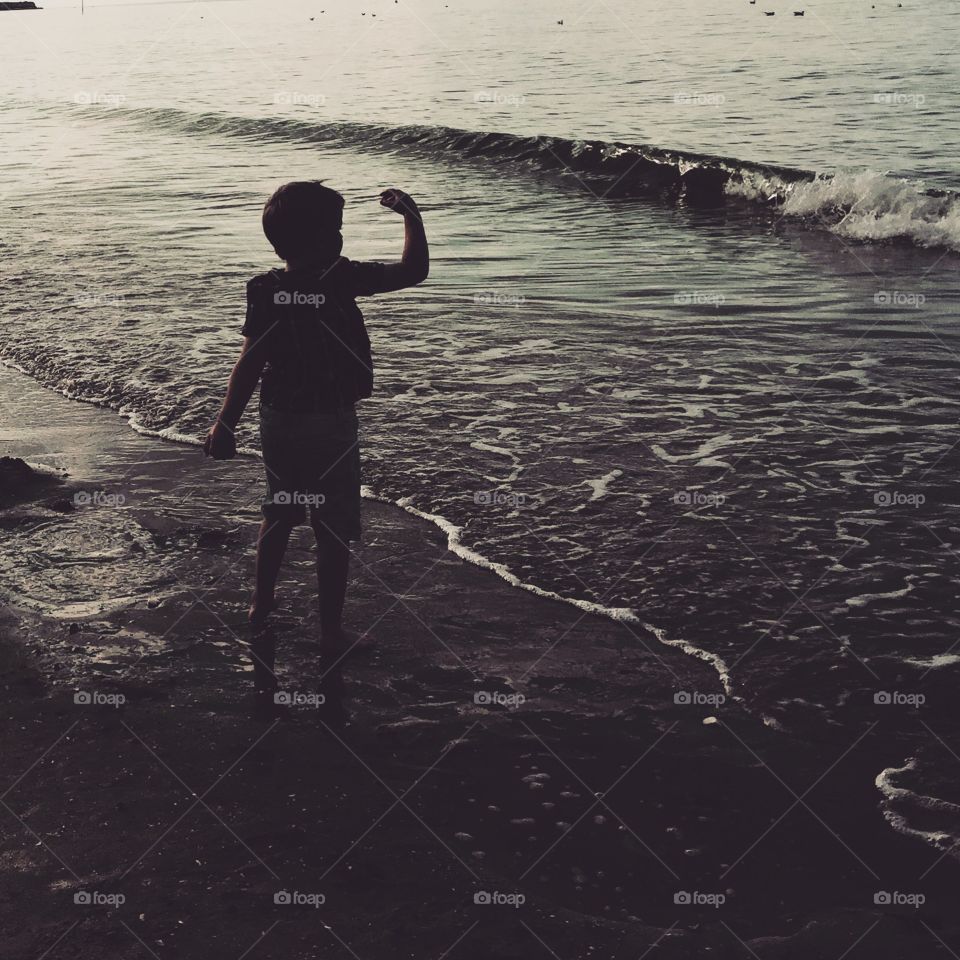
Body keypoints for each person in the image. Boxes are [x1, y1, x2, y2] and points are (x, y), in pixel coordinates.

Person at [203, 180, 429, 665]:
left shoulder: (266, 290)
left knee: (280, 510)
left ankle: (259, 608)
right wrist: (411, 215)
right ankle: (330, 633)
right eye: (338, 228)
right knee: (332, 527)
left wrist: (225, 424)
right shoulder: (341, 278)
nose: (342, 236)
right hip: (331, 422)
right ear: (329, 239)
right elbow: (414, 271)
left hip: (278, 418)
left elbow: (248, 363)